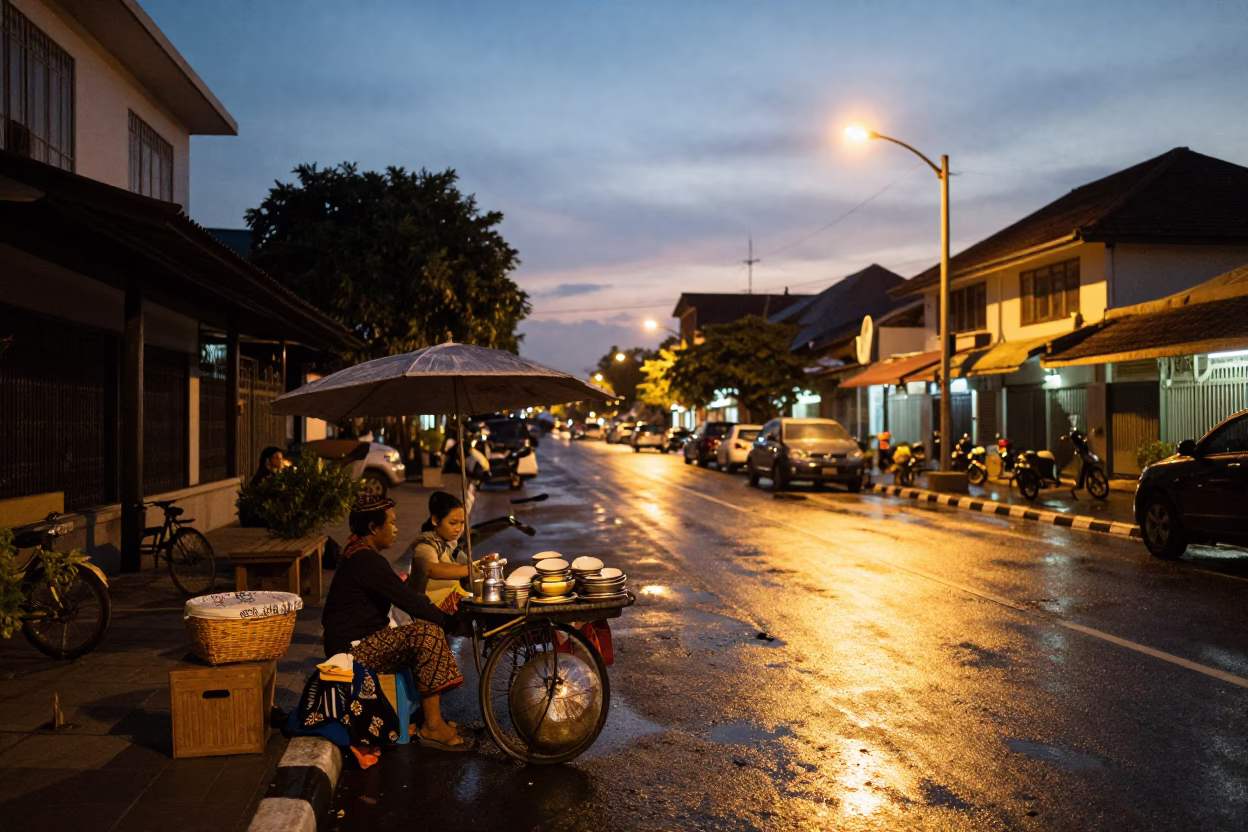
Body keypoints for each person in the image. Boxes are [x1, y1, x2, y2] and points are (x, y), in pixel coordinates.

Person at [318, 494, 470, 752]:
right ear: (373, 528)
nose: (397, 528)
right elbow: (408, 599)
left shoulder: (362, 554)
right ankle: (432, 725)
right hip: (351, 650)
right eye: (391, 523)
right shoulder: (365, 560)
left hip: (363, 640)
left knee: (423, 630)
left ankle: (426, 718)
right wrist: (449, 622)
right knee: (427, 634)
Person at [409, 492, 476, 610]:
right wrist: (470, 569)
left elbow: (468, 567)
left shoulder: (451, 545)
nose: (459, 529)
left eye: (462, 523)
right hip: (425, 613)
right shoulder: (425, 544)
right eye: (453, 523)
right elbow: (431, 569)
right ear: (435, 520)